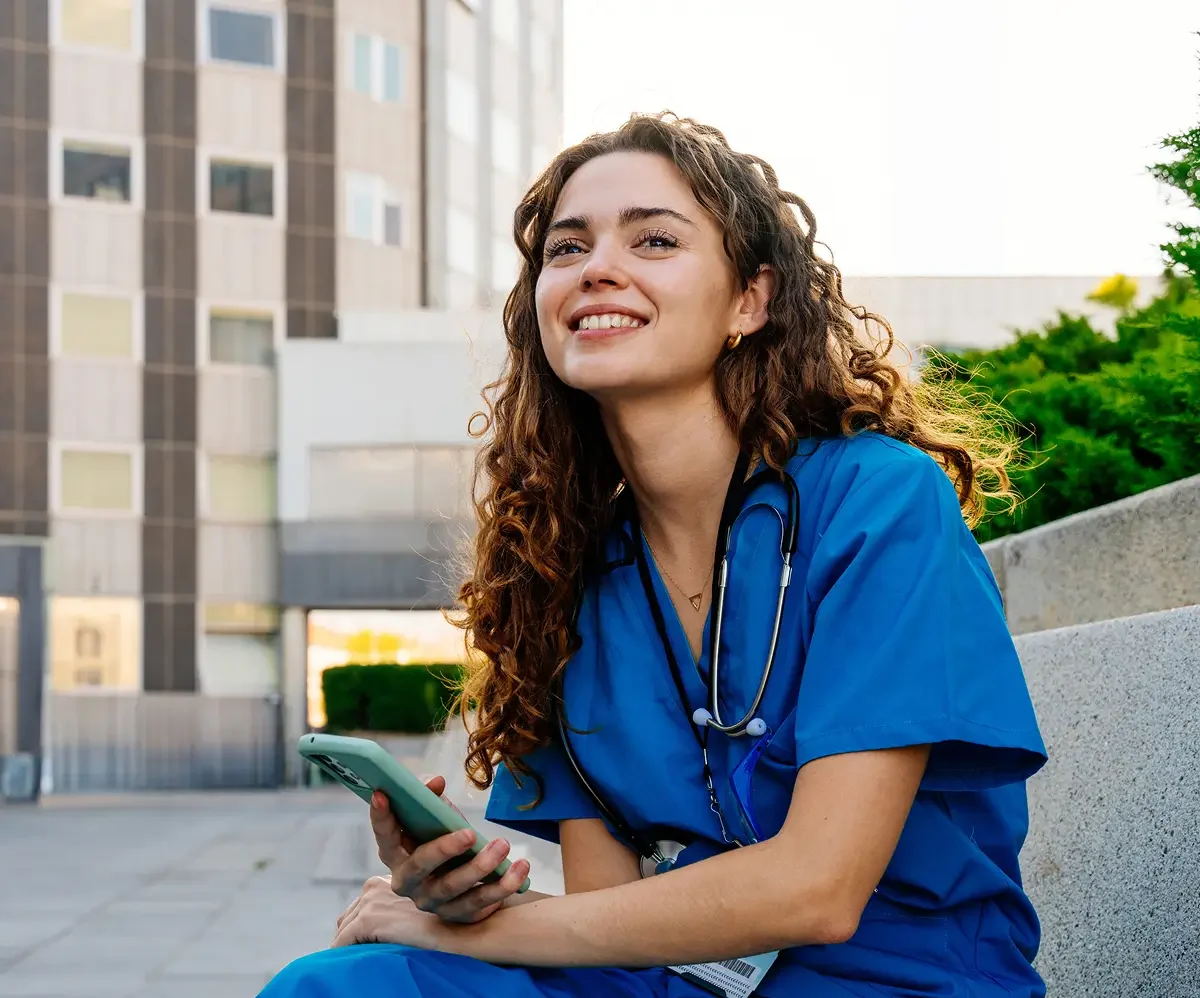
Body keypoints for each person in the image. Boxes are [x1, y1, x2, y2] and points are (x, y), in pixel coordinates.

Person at [260, 112, 1047, 998]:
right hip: (678, 985)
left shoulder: (877, 501)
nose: (598, 267)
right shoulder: (563, 569)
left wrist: (502, 938)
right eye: (566, 249)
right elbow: (610, 913)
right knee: (343, 985)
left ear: (749, 300)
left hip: (892, 983)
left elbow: (818, 890)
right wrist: (459, 907)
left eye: (656, 239)